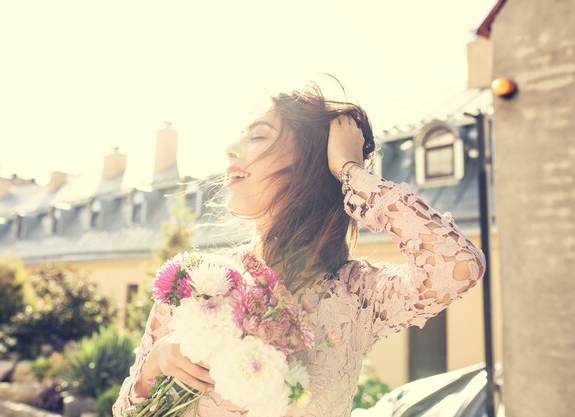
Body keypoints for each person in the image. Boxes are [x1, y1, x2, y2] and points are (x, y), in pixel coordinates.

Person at [112, 81, 487, 417]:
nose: (230, 148)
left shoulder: (357, 296)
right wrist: (152, 368)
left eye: (258, 136)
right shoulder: (198, 281)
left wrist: (350, 171)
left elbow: (458, 266)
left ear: (308, 163)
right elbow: (125, 411)